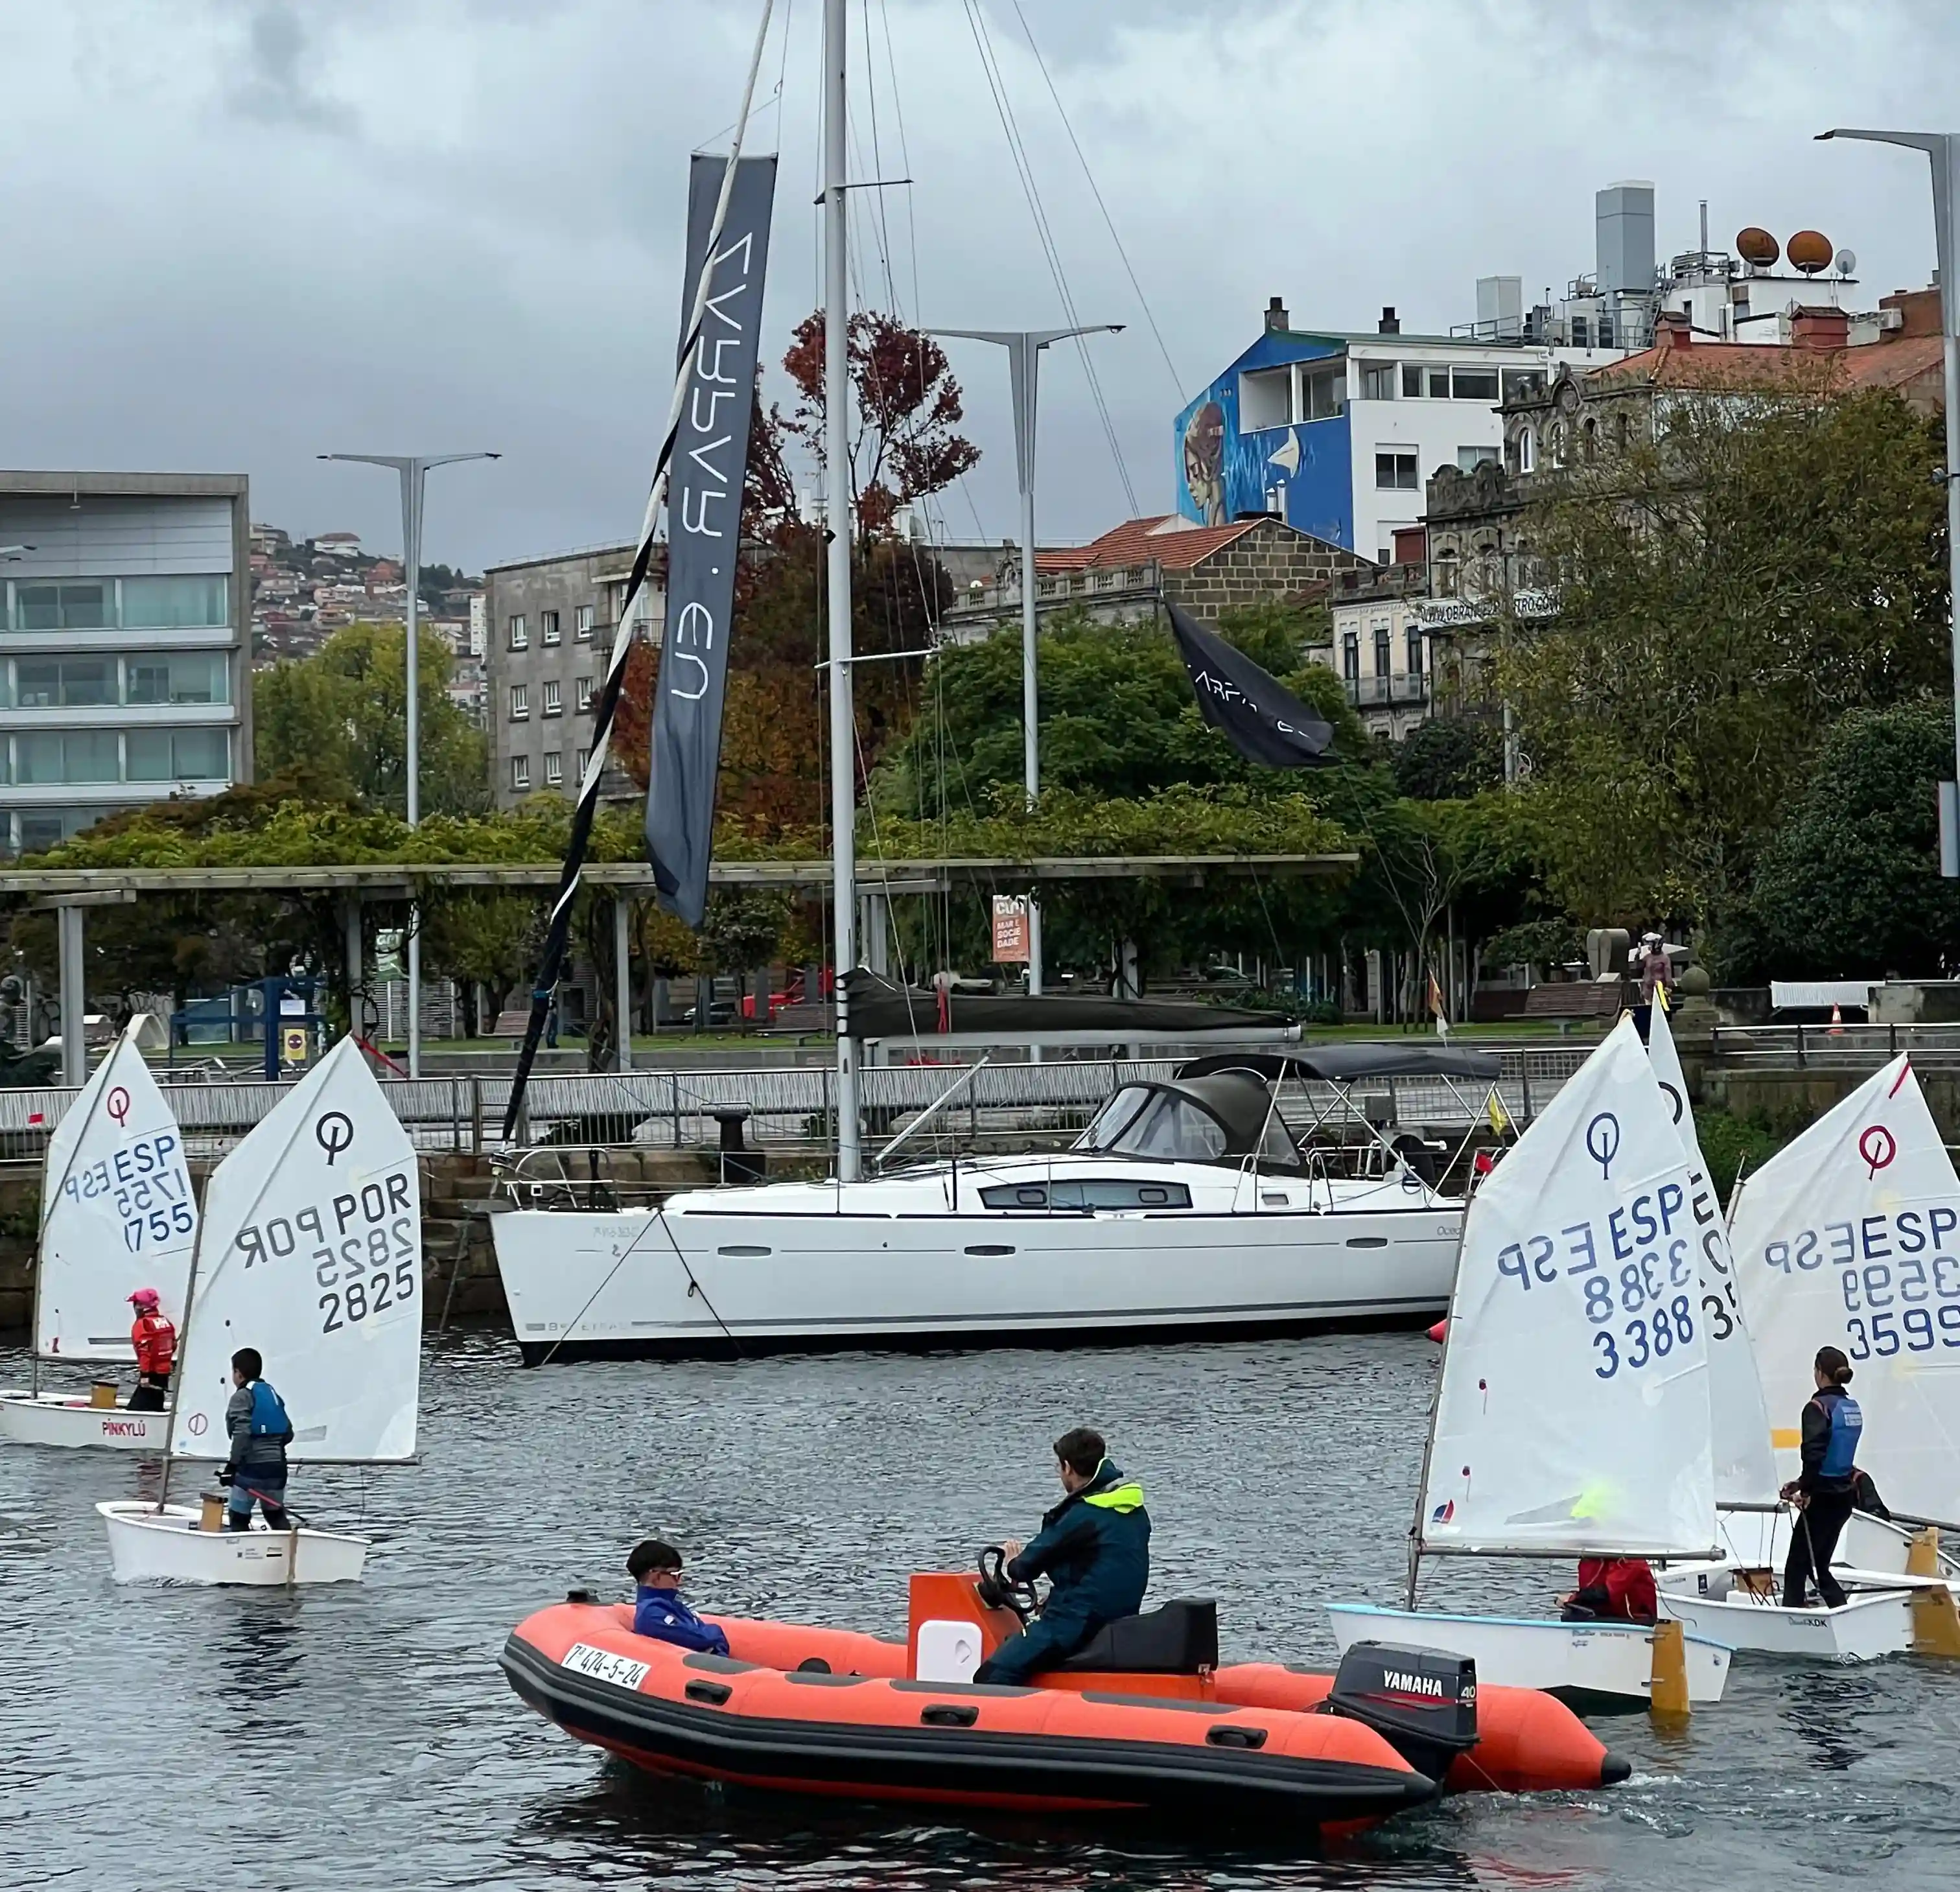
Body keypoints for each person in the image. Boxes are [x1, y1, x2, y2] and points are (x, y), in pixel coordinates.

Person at [973, 1428, 1150, 1686]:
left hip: (1075, 1624)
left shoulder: (1083, 1516)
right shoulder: (1133, 1509)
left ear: (1067, 1467)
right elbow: (1102, 1565)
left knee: (991, 1675)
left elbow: (1026, 1568)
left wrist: (1013, 1561)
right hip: (1117, 1620)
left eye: (1059, 1466)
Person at [1780, 1345, 1861, 1610]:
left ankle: (1792, 1619)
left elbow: (1813, 1455)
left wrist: (1805, 1492)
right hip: (1844, 1496)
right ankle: (1842, 1613)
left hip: (1823, 1498)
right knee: (1819, 1565)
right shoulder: (1852, 1407)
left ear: (1819, 1373)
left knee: (1797, 1566)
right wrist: (1802, 1483)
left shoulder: (1816, 1408)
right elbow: (1835, 1456)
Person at [221, 1348, 294, 1532]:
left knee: (238, 1517)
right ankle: (288, 1554)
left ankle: (243, 1556)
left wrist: (231, 1467)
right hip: (278, 1469)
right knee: (275, 1515)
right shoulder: (272, 1394)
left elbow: (242, 1433)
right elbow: (288, 1434)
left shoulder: (242, 1396)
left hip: (251, 1470)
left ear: (238, 1373)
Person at [627, 1539, 730, 1655]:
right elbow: (703, 1639)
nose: (680, 1581)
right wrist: (716, 1632)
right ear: (655, 1577)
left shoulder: (673, 1606)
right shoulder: (651, 1615)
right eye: (676, 1575)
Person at [1559, 1556, 1657, 1624]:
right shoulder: (1592, 1558)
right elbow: (1590, 1592)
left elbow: (1607, 1594)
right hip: (1605, 1613)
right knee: (1570, 1615)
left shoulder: (1631, 1559)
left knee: (1574, 1616)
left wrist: (1572, 1598)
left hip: (1634, 1620)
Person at [126, 1287, 176, 1412]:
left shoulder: (143, 1324)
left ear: (140, 1306)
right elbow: (173, 1345)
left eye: (135, 1304)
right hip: (164, 1374)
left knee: (136, 1410)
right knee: (156, 1406)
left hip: (151, 1375)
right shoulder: (165, 1321)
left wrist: (144, 1376)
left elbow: (145, 1352)